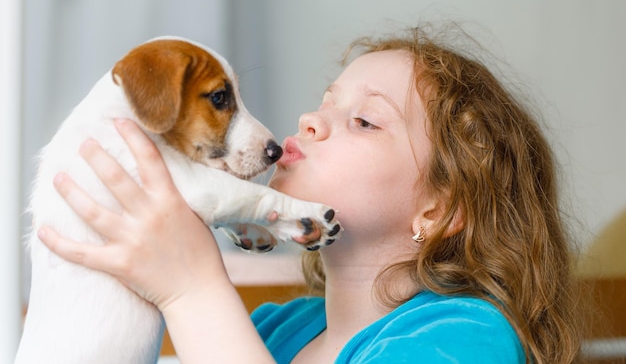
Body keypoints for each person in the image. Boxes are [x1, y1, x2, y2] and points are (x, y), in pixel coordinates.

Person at [38, 24, 583, 364]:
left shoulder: (464, 337)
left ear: (439, 210)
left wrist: (191, 290)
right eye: (324, 103)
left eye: (364, 120)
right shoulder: (270, 329)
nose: (310, 120)